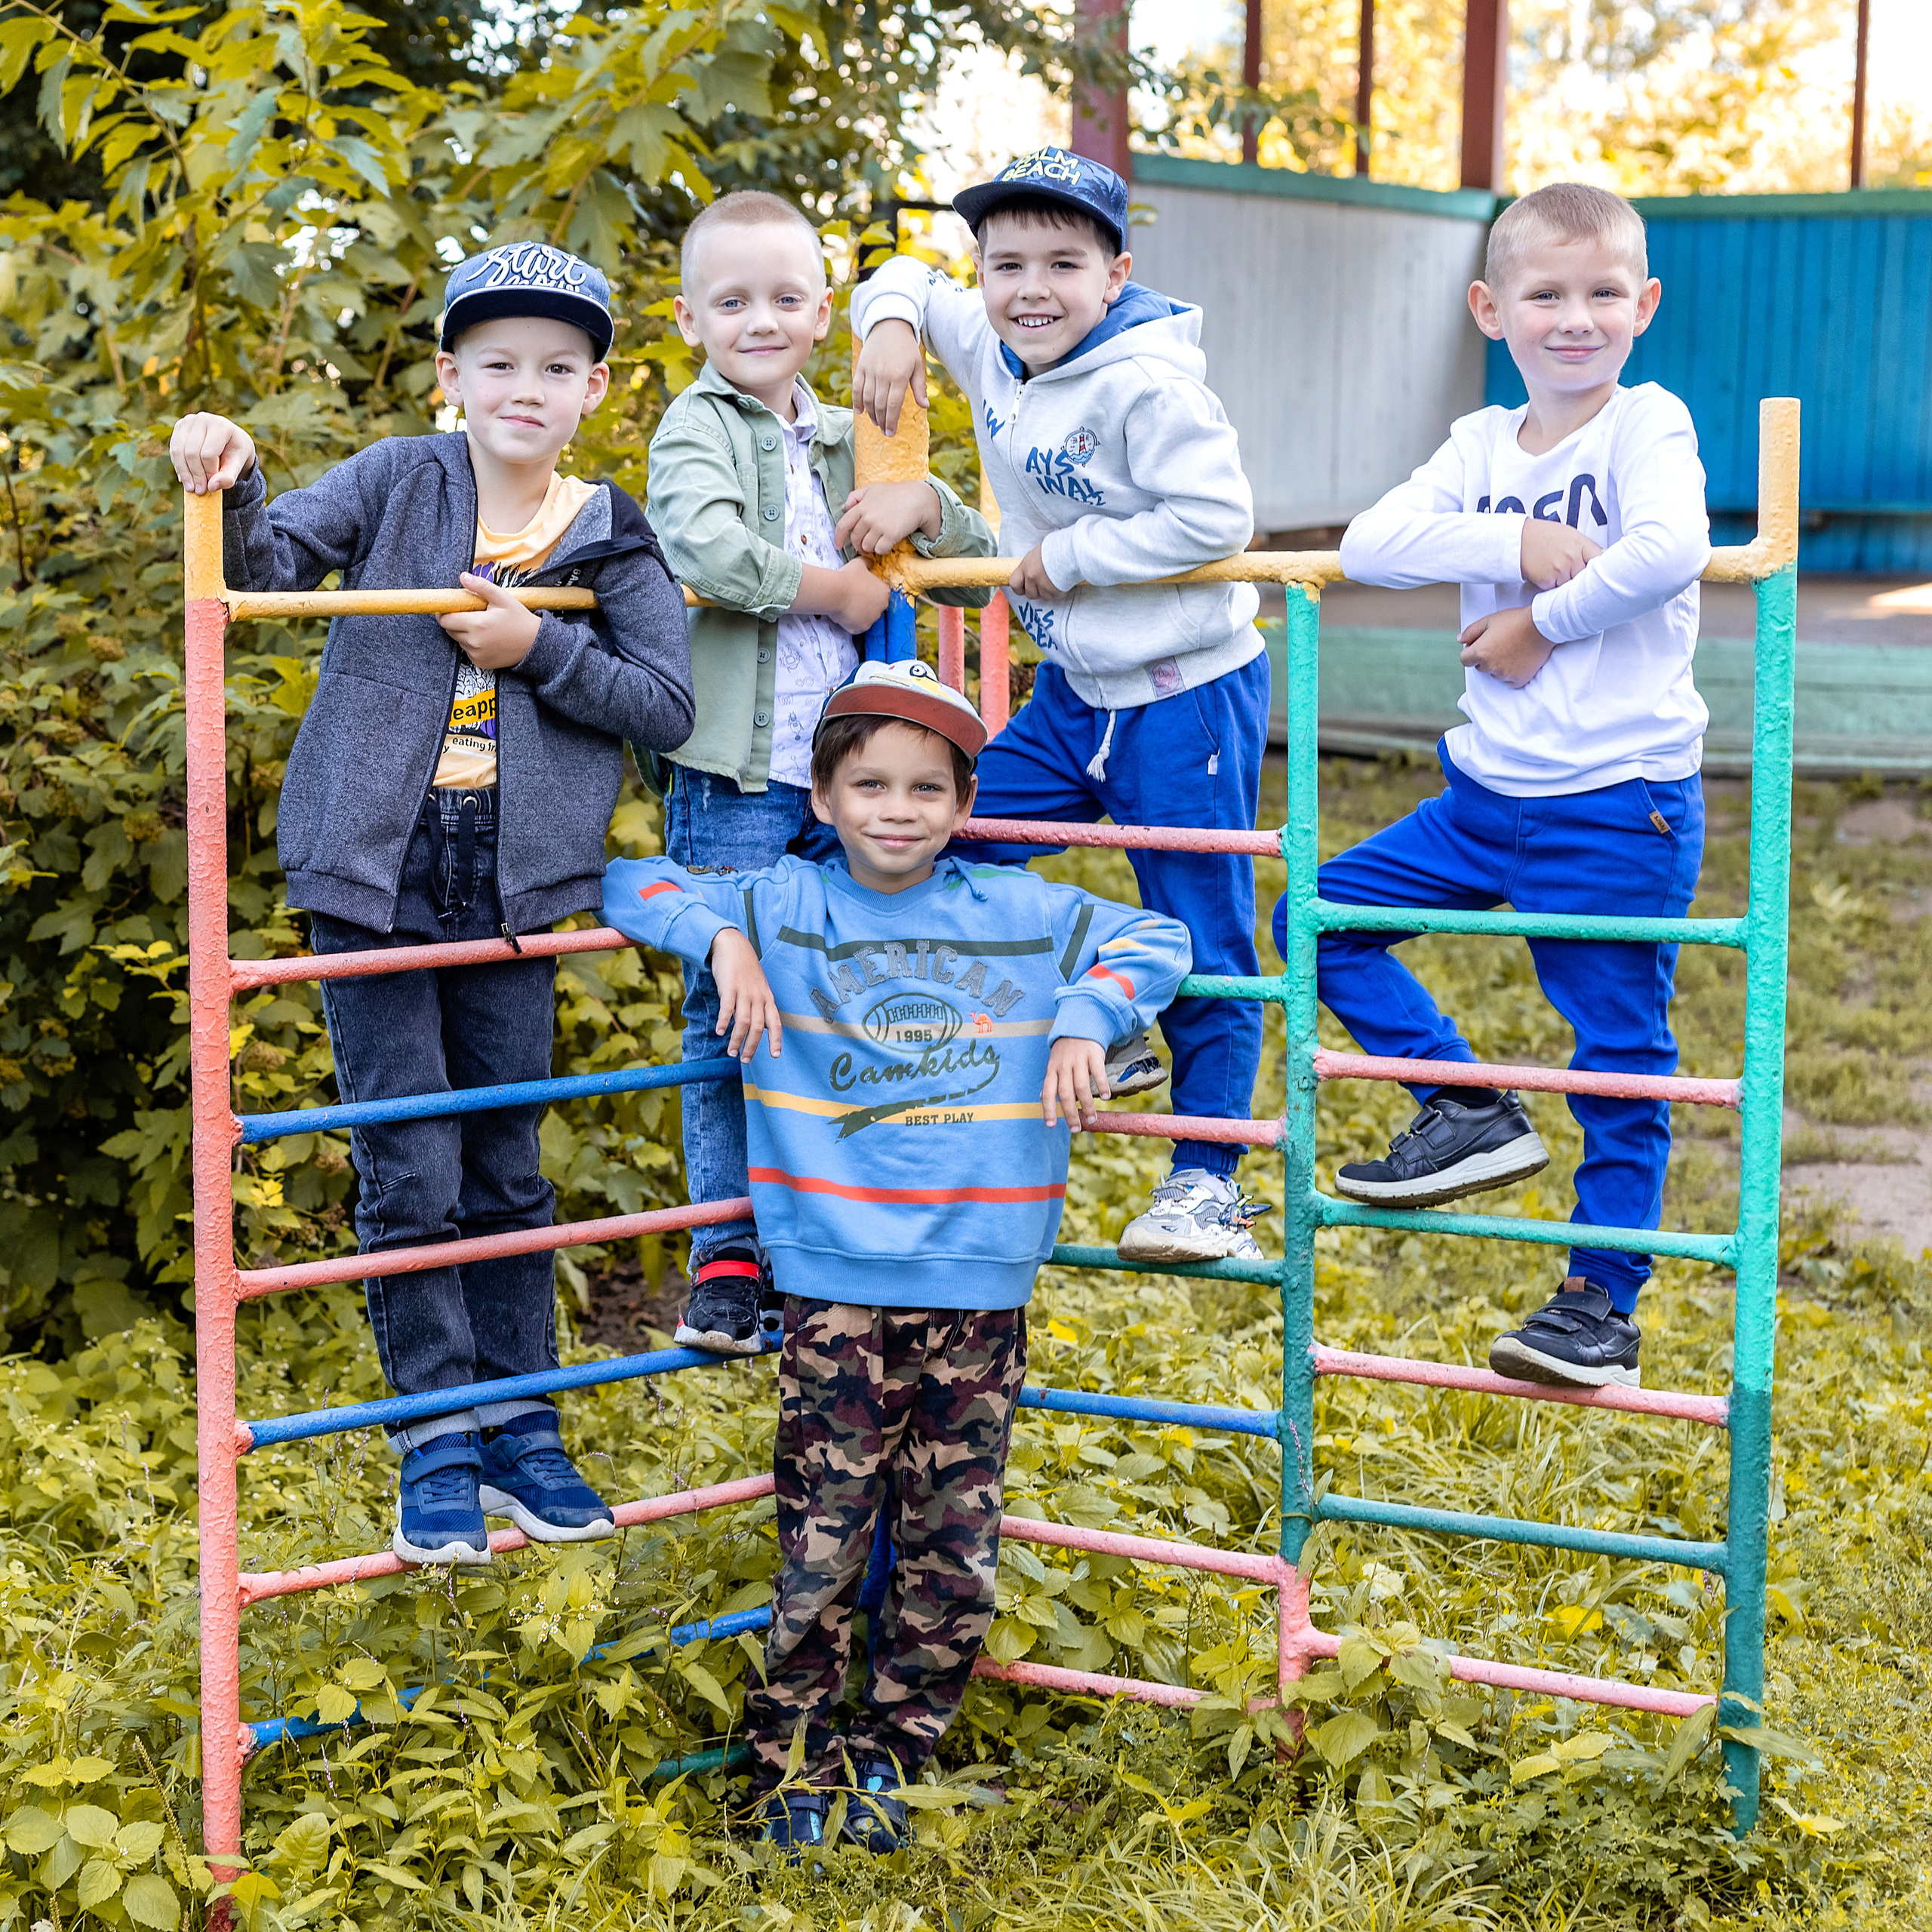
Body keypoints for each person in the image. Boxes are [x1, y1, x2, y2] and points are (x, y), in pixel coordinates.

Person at [601, 660, 1192, 1857]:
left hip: (980, 1286)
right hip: (831, 1287)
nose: (897, 808)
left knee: (951, 1551)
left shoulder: (1020, 915)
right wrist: (721, 942)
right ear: (821, 798)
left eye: (928, 787)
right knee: (822, 1541)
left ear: (965, 803)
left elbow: (1160, 932)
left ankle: (892, 1764)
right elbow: (632, 879)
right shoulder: (779, 904)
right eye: (868, 783)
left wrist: (1087, 1014)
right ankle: (785, 1776)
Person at [169, 243, 694, 1564]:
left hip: (515, 882)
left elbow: (665, 705)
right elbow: (272, 564)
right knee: (410, 1165)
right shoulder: (407, 475)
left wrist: (542, 648)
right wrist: (227, 477)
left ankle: (528, 1429)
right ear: (452, 374)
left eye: (559, 366)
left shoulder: (610, 529)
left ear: (597, 386)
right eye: (501, 362)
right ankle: (440, 1441)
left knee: (507, 1165)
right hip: (378, 866)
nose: (529, 385)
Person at [1288, 182, 1711, 1391]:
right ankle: (1466, 1104)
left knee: (1615, 1057)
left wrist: (1544, 622)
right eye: (1545, 294)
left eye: (1601, 295)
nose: (1574, 319)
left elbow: (1670, 547)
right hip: (1480, 800)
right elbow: (1370, 544)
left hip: (1614, 805)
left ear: (1644, 306)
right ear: (1492, 308)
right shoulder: (1480, 446)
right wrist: (1508, 543)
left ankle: (1601, 1303)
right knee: (1314, 923)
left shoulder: (1648, 424)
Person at [848, 146, 1269, 1268]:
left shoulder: (1151, 383)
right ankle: (1102, 1014)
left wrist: (1075, 555)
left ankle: (1207, 1178)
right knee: (957, 835)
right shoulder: (992, 337)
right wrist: (893, 323)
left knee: (1203, 923)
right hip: (1076, 693)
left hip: (1187, 692)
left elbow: (1218, 520)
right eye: (1005, 263)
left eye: (1064, 264)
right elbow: (896, 274)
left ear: (1116, 273)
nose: (1031, 288)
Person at [646, 190, 998, 1356]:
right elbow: (698, 543)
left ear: (823, 310)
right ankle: (728, 1257)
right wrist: (834, 592)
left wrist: (929, 500)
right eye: (733, 301)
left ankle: (834, 1225)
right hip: (740, 779)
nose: (762, 320)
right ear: (691, 317)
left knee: (844, 992)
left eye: (787, 299)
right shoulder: (693, 425)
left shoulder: (850, 430)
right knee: (728, 1005)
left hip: (851, 781)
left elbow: (957, 549)